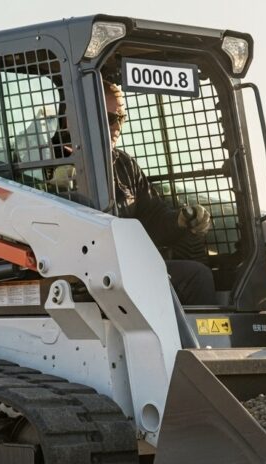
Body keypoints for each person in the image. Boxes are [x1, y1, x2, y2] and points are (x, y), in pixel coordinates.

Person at [104, 80, 216, 305]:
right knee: (196, 277)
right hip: (90, 272)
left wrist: (181, 219)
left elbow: (152, 216)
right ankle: (192, 342)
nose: (117, 126)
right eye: (111, 119)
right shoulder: (51, 166)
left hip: (130, 266)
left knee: (210, 268)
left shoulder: (124, 165)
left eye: (121, 118)